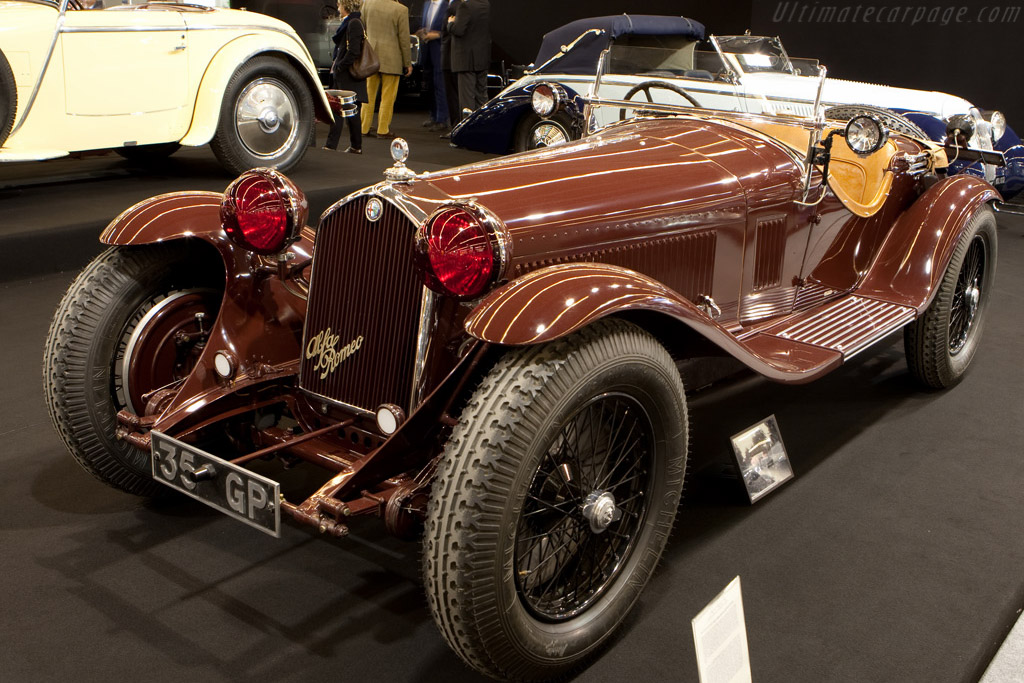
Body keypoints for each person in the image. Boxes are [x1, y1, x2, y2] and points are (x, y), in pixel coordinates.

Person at [360, 0, 412, 139]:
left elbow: (361, 29)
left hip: (370, 57)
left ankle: (364, 127)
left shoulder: (367, 4)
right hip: (392, 59)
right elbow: (404, 39)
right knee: (388, 96)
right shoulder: (401, 9)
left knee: (368, 94)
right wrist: (408, 62)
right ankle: (383, 129)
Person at [324, 0, 367, 154]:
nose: (337, 8)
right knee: (344, 110)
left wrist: (340, 66)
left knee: (348, 111)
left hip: (348, 76)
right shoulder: (351, 22)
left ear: (346, 6)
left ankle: (349, 146)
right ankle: (348, 146)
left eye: (339, 4)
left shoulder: (353, 23)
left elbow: (354, 51)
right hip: (345, 76)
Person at [449, 0, 489, 116]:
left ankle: (467, 131)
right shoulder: (485, 4)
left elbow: (458, 30)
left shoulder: (465, 6)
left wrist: (450, 23)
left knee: (466, 100)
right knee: (481, 98)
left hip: (466, 60)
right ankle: (482, 126)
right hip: (481, 58)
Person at [417, 0, 449, 132]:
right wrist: (423, 31)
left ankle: (442, 119)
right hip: (427, 51)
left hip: (440, 51)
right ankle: (433, 115)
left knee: (440, 85)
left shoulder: (448, 6)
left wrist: (435, 35)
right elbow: (425, 25)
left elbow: (450, 31)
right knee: (429, 85)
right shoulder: (427, 4)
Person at [440, 0, 460, 133]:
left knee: (453, 95)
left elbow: (448, 32)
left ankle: (455, 127)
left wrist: (449, 25)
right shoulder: (453, 5)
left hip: (451, 57)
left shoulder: (456, 6)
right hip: (451, 57)